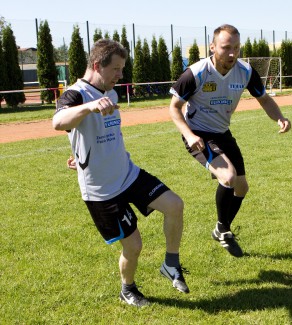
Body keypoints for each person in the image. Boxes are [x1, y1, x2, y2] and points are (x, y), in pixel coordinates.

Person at [53, 39, 190, 307]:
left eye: (121, 69)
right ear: (96, 65)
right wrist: (89, 107)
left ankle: (170, 265)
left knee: (175, 205)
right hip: (102, 191)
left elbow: (102, 135)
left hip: (128, 174)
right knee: (134, 246)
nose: (120, 75)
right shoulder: (76, 94)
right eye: (116, 69)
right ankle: (127, 290)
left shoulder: (112, 93)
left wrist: (81, 154)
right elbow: (59, 121)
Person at [169, 24, 291, 258]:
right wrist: (190, 135)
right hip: (198, 134)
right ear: (213, 47)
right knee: (228, 177)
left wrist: (280, 118)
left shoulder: (245, 72)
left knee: (242, 187)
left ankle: (220, 228)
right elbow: (174, 108)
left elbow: (264, 99)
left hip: (222, 133)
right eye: (226, 48)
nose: (232, 53)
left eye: (236, 48)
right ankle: (224, 230)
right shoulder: (196, 73)